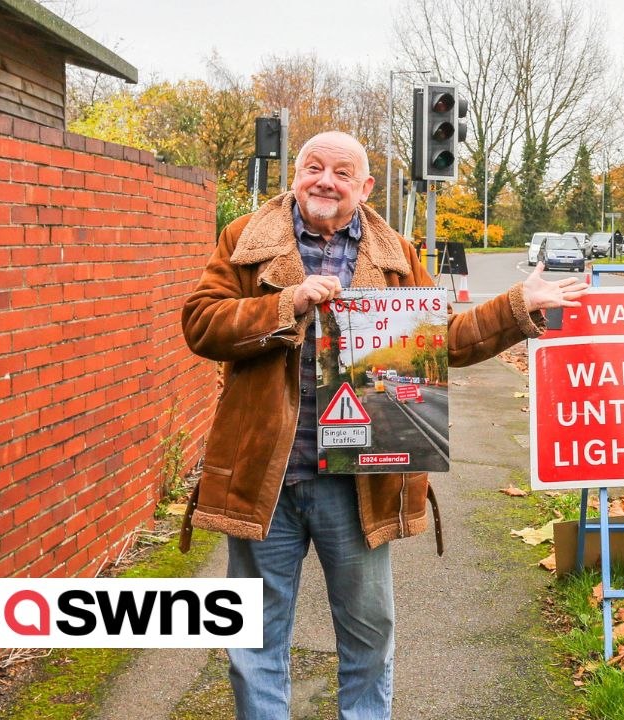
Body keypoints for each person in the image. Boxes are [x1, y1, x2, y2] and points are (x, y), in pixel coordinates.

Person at [179, 131, 588, 719]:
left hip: (359, 481)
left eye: (342, 172)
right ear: (293, 177)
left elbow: (439, 341)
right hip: (262, 480)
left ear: (365, 187)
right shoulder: (244, 240)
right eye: (313, 168)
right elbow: (201, 324)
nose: (325, 180)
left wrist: (515, 306)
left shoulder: (394, 253)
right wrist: (285, 304)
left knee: (368, 639)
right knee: (255, 641)